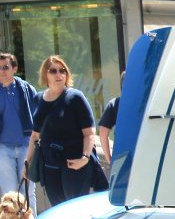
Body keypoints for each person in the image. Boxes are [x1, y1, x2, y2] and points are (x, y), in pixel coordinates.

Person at [26, 56, 97, 208]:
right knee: (58, 209)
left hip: (74, 163)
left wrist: (84, 158)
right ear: (45, 74)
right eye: (53, 71)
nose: (59, 74)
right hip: (49, 164)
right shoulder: (38, 98)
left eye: (62, 70)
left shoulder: (75, 97)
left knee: (76, 209)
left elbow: (90, 133)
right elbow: (35, 136)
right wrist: (27, 162)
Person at [0, 52, 37, 197]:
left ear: (14, 69)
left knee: (27, 192)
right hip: (3, 149)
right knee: (9, 194)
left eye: (5, 67)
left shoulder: (26, 89)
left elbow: (38, 115)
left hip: (27, 147)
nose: (2, 71)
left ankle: (30, 215)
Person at [96, 71, 124, 164]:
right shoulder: (146, 104)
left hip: (121, 154)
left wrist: (109, 159)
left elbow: (103, 133)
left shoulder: (115, 103)